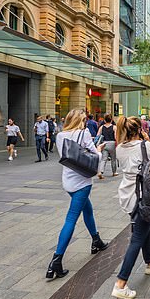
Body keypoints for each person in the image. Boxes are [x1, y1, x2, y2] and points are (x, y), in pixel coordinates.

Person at [46, 109, 109, 280]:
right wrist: (98, 148)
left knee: (87, 210)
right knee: (71, 219)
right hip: (82, 182)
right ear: (80, 120)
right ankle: (56, 261)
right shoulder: (84, 133)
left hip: (68, 181)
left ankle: (96, 240)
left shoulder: (60, 135)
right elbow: (94, 155)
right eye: (84, 119)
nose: (85, 122)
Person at [112, 116, 150, 299]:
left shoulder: (120, 148)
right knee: (137, 237)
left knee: (144, 227)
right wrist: (148, 141)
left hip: (127, 195)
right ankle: (121, 283)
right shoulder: (144, 146)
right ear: (139, 130)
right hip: (143, 196)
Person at [96, 114, 118, 179]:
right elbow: (115, 137)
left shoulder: (101, 127)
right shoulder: (114, 127)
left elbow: (98, 136)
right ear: (111, 120)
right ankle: (114, 172)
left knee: (104, 159)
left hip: (104, 143)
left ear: (104, 120)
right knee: (113, 158)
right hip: (112, 143)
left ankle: (101, 171)